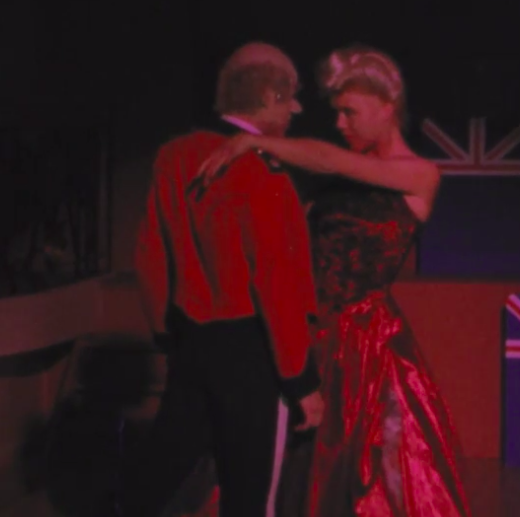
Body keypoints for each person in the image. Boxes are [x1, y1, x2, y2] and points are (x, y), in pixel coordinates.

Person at [197, 45, 471, 517]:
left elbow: (329, 158)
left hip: (365, 342)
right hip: (309, 332)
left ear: (388, 108)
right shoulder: (332, 179)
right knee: (283, 463)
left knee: (367, 472)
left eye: (350, 112)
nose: (340, 123)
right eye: (337, 113)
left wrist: (254, 141)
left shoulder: (419, 175)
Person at [124, 41, 324, 517]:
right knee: (252, 498)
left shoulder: (173, 156)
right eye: (291, 97)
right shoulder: (265, 173)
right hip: (254, 353)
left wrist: (166, 332)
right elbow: (274, 285)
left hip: (190, 341)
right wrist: (301, 381)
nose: (296, 110)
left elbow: (150, 255)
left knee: (156, 478)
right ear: (270, 98)